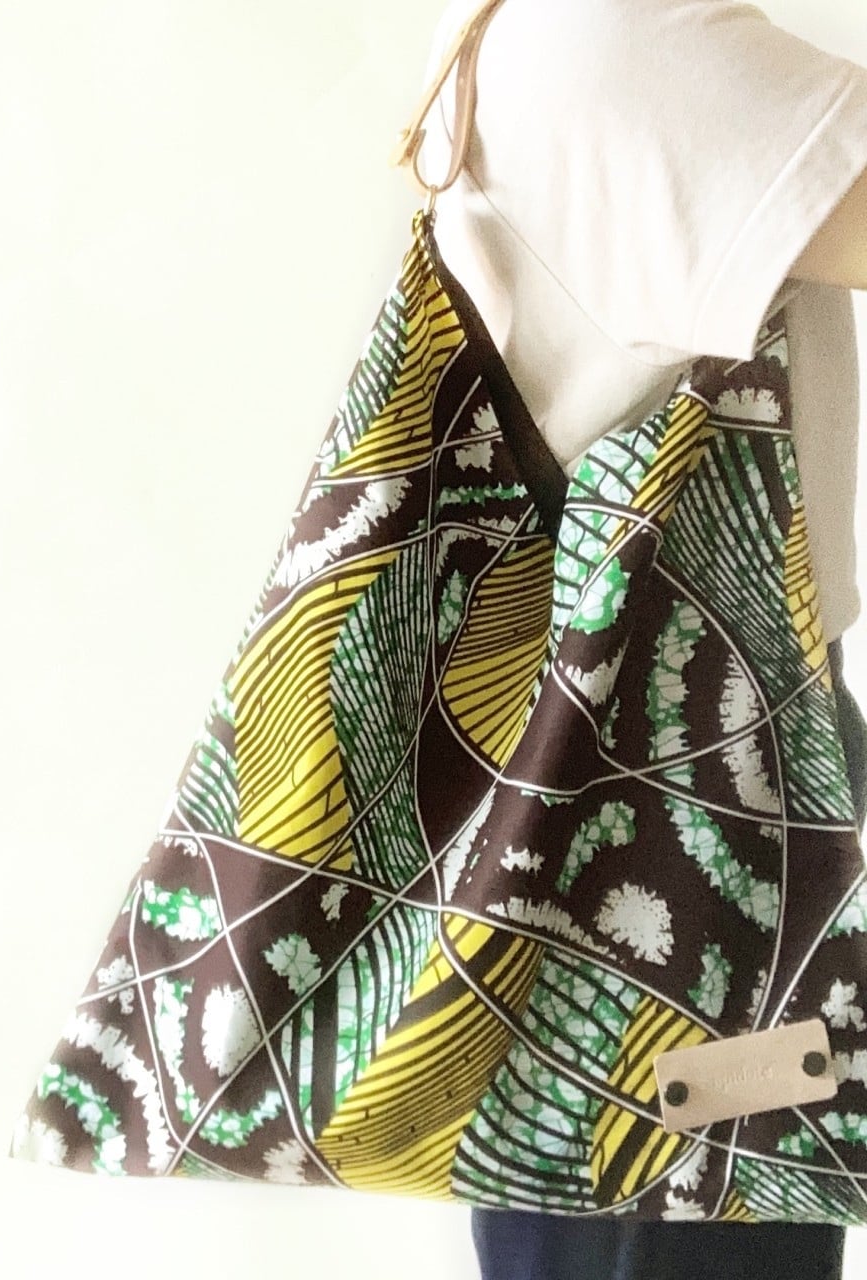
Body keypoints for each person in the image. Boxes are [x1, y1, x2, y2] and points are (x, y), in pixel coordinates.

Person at [412, 1, 867, 1276]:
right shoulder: (626, 29)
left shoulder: (516, 19)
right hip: (675, 811)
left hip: (627, 772)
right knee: (678, 1230)